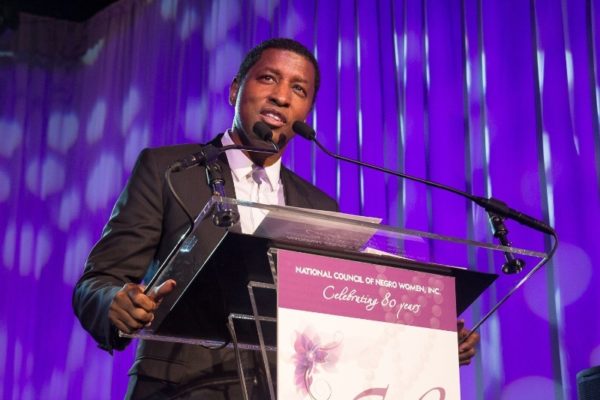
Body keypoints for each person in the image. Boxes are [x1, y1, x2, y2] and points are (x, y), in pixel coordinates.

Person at [73, 38, 479, 399]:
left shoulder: (319, 206)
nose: (282, 97)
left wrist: (429, 340)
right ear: (236, 90)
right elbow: (97, 281)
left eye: (298, 89)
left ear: (305, 112)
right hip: (177, 386)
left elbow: (340, 316)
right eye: (268, 79)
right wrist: (115, 305)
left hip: (278, 388)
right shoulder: (171, 169)